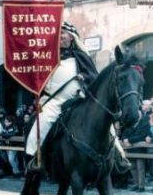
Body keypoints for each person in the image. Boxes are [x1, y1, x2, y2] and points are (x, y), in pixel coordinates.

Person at [25, 21, 98, 164]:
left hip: (79, 101)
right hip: (54, 101)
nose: (60, 36)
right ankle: (33, 158)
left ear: (71, 37)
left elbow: (94, 77)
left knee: (105, 124)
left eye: (63, 33)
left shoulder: (81, 56)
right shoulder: (48, 57)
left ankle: (119, 158)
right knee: (41, 124)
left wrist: (84, 77)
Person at [121, 110, 150, 192]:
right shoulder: (129, 125)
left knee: (140, 168)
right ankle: (135, 184)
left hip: (140, 150)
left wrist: (129, 140)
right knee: (132, 168)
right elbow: (124, 134)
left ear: (140, 116)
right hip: (130, 150)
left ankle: (141, 186)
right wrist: (124, 140)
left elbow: (142, 136)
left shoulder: (145, 124)